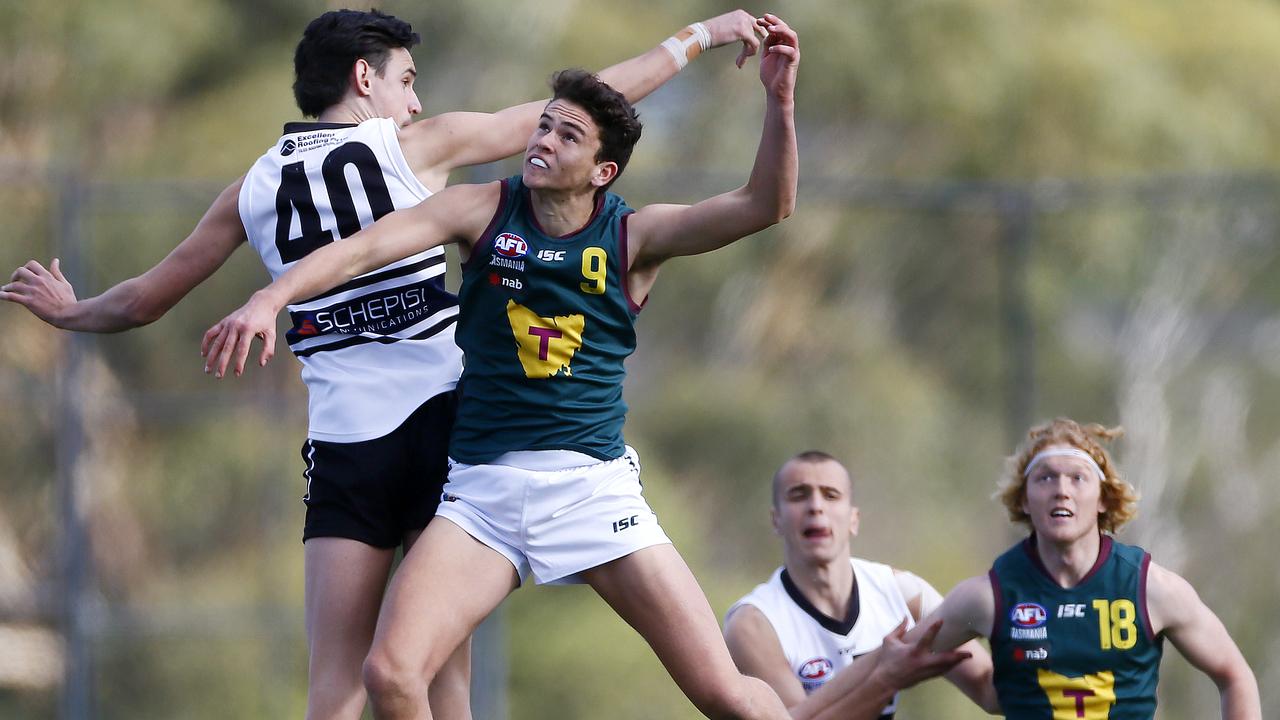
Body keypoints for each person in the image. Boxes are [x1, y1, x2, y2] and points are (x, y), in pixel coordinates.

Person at [0, 9, 766, 720]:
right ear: (364, 79)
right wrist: (699, 36)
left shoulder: (253, 187)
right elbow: (588, 105)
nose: (414, 99)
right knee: (442, 679)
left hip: (346, 441)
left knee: (336, 687)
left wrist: (71, 312)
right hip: (443, 420)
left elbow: (141, 301)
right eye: (406, 80)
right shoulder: (412, 146)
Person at [202, 15, 801, 719]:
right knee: (391, 673)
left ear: (603, 171)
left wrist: (780, 102)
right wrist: (269, 298)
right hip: (482, 498)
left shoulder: (636, 235)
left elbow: (766, 204)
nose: (543, 141)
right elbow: (362, 250)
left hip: (591, 491)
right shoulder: (480, 209)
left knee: (725, 694)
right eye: (543, 126)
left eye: (566, 136)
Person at [914, 418, 1262, 719]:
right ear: (1023, 498)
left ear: (1103, 499)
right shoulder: (988, 597)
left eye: (1078, 478)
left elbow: (1235, 675)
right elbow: (893, 663)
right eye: (1046, 478)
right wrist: (898, 593)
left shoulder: (1152, 589)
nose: (1061, 491)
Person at [723, 451, 999, 719]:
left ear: (853, 519)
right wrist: (886, 680)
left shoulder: (901, 591)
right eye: (799, 495)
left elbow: (988, 688)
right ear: (776, 519)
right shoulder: (753, 624)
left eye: (831, 495)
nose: (816, 506)